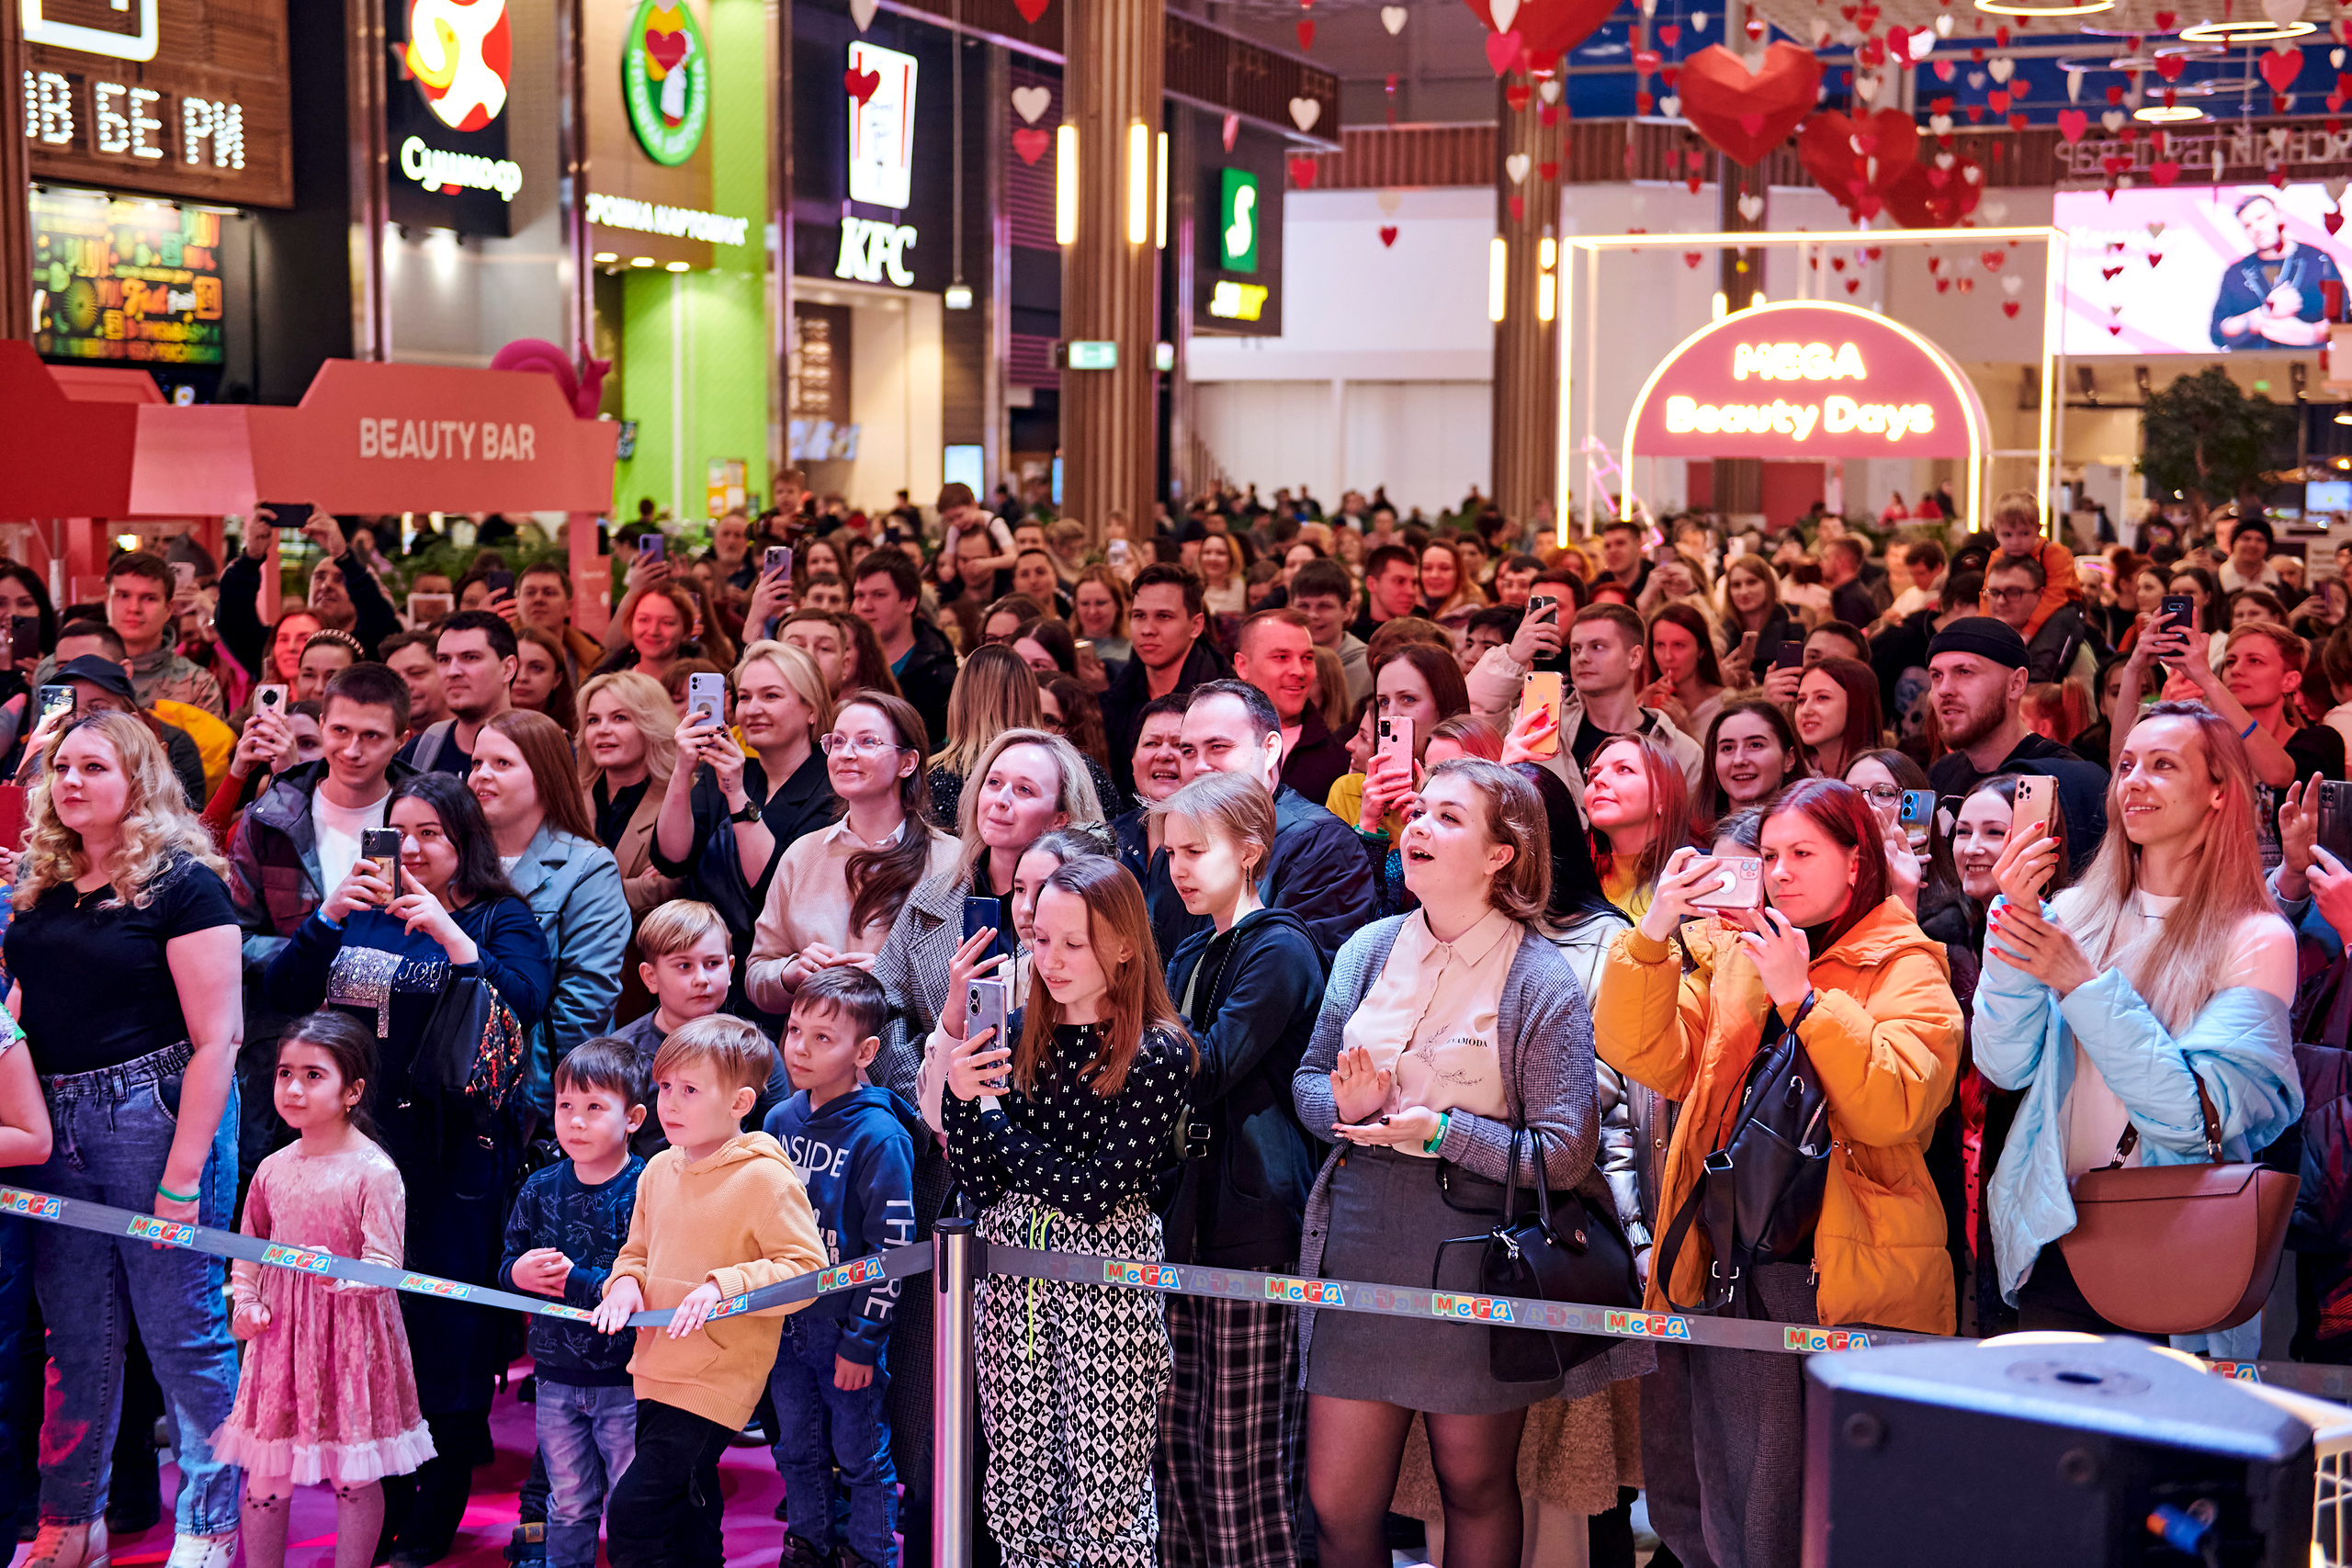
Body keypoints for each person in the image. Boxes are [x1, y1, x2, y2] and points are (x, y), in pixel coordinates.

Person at [1595, 779, 1962, 1568]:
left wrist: (1805, 998)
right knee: (1737, 1510)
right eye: (1769, 854)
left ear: (1856, 860)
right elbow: (1644, 1052)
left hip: (1843, 1269)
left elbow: (1895, 1106)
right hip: (1736, 1259)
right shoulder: (1738, 957)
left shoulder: (1907, 962)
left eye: (1803, 852)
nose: (1782, 871)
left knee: (1841, 1517)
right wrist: (1653, 935)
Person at [1293, 758, 1649, 1568]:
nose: (1419, 825)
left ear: (1501, 853)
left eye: (1449, 817)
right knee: (1337, 1503)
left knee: (1476, 1489)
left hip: (1476, 1254)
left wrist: (1441, 1132)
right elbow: (1309, 1080)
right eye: (1419, 810)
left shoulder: (1541, 976)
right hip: (1357, 1243)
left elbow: (1566, 1152)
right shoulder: (1367, 948)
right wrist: (1343, 1107)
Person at [262, 772, 553, 1563]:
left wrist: (453, 937)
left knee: (445, 1336)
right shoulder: (360, 912)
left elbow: (525, 1003)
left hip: (455, 1156)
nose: (414, 849)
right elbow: (283, 989)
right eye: (401, 832)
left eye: (432, 833)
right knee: (371, 1327)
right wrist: (328, 916)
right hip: (359, 1153)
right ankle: (382, 1501)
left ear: (464, 841)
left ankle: (435, 1509)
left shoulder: (500, 915)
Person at [1976, 703, 2301, 1348]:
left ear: (2218, 792)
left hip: (2184, 1245)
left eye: (2163, 765)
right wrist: (2013, 922)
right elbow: (2004, 1064)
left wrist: (2082, 984)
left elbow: (2191, 1117)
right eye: (2125, 765)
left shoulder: (2257, 937)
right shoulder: (2072, 912)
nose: (2134, 781)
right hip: (2058, 1237)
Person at [7, 711, 246, 1568]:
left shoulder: (186, 884)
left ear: (137, 780)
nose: (71, 781)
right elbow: (26, 1006)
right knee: (73, 1335)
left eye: (93, 767)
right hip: (52, 1123)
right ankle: (72, 1521)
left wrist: (183, 1174)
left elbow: (219, 1039)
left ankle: (210, 1525)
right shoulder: (43, 879)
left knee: (184, 1334)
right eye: (62, 767)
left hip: (154, 1113)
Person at [866, 727, 1103, 1557]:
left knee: (1021, 1421)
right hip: (937, 1167)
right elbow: (881, 1009)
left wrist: (985, 1106)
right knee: (929, 1396)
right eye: (993, 782)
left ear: (1063, 815)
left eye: (1024, 789)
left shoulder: (1088, 914)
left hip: (1035, 1194)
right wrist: (934, 1095)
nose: (1000, 799)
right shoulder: (938, 895)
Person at [939, 856, 1194, 1568]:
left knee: (1106, 1491)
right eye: (1041, 939)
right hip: (1012, 1274)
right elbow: (983, 1183)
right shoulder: (1020, 1030)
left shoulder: (1159, 1049)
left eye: (1072, 943)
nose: (1049, 960)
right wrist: (961, 1097)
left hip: (1106, 1276)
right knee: (1018, 1482)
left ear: (1124, 944)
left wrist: (990, 1116)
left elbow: (1094, 1193)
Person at [1150, 772, 1325, 1568]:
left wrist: (1124, 1036)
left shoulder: (1280, 946)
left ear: (1250, 851)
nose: (1179, 868)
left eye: (1196, 850)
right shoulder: (1193, 946)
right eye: (1171, 852)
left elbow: (1211, 1063)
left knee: (1240, 1476)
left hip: (1254, 1231)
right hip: (1183, 1223)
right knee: (1177, 1468)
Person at [589, 1016, 828, 1568]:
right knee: (687, 1506)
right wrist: (623, 1286)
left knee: (635, 1511)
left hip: (716, 1377)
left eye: (690, 1090)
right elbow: (636, 1253)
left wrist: (727, 1285)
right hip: (656, 1367)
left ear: (741, 1102)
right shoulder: (658, 1170)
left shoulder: (765, 1178)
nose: (669, 1102)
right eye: (665, 1086)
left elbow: (807, 1270)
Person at [215, 1013, 432, 1568]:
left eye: (313, 1075)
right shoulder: (271, 1168)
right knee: (266, 1479)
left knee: (353, 1479)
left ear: (352, 1091)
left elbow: (386, 1263)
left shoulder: (373, 1171)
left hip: (350, 1339)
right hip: (281, 1340)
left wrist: (341, 1275)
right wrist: (247, 1300)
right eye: (285, 1072)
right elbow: (251, 1244)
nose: (293, 1088)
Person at [762, 969, 921, 1568]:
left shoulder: (880, 1136)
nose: (799, 1047)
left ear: (865, 1051)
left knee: (860, 1455)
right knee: (795, 1447)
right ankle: (808, 1542)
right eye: (794, 1030)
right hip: (784, 1324)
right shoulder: (778, 1122)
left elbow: (893, 1252)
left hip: (845, 1329)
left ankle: (870, 1553)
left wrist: (861, 1341)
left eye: (822, 1037)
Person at [499, 1040, 648, 1568]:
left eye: (594, 1107)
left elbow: (649, 1279)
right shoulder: (540, 1187)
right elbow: (508, 1264)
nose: (576, 1122)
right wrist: (517, 1273)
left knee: (631, 1500)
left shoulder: (646, 1189)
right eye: (566, 1105)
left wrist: (574, 1283)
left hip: (626, 1378)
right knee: (567, 1502)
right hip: (555, 1376)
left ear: (632, 1119)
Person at [652, 642, 836, 1024]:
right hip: (705, 975)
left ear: (812, 710)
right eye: (745, 697)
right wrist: (684, 769)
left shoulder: (832, 787)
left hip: (777, 983)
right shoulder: (728, 771)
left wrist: (736, 794)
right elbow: (671, 859)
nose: (753, 709)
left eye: (771, 696)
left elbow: (770, 889)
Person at [745, 693, 956, 1013]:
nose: (845, 754)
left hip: (905, 1043)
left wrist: (891, 979)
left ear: (907, 763)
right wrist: (791, 972)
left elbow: (967, 987)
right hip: (811, 1039)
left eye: (867, 741)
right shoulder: (802, 854)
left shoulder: (950, 861)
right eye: (838, 741)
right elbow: (757, 975)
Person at [471, 710, 631, 1120]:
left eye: (502, 763)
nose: (481, 775)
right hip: (454, 1085)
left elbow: (583, 1003)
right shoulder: (454, 860)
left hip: (539, 1095)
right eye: (476, 763)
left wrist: (528, 1102)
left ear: (544, 777)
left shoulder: (588, 866)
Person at [1153, 678, 1377, 962]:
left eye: (1218, 747)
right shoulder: (1174, 844)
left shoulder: (1322, 845)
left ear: (1270, 749)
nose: (1199, 766)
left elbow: (1305, 974)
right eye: (1188, 751)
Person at [1471, 602, 1702, 817]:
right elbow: (1476, 721)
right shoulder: (1539, 726)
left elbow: (1689, 833)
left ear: (1634, 657)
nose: (1582, 657)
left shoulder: (1681, 751)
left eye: (1597, 647)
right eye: (1576, 648)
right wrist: (1512, 657)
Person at [1925, 618, 2109, 872]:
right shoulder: (1941, 774)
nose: (1944, 689)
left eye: (1964, 672)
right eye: (1936, 676)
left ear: (2016, 684)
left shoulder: (2066, 781)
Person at [611, 900, 790, 1156]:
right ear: (651, 977)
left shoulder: (757, 1052)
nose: (701, 979)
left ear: (730, 969)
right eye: (684, 966)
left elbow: (774, 1144)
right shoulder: (619, 1054)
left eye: (713, 963)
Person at [1102, 565, 1236, 797]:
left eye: (1163, 616)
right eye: (1139, 616)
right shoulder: (1117, 696)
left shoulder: (1228, 703)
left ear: (1196, 625)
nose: (1147, 629)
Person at [1232, 608, 1349, 805]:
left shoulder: (1339, 760)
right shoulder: (1206, 742)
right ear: (1243, 666)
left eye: (1307, 658)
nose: (1299, 671)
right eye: (1281, 657)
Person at [1585, 733, 1692, 919]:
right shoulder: (1569, 882)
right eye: (1593, 774)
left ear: (1663, 798)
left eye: (1624, 769)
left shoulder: (1694, 885)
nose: (1598, 780)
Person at [2211, 191, 2337, 349]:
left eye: (2261, 218)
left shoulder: (2318, 261)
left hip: (2311, 362)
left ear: (2279, 215)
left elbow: (2343, 318)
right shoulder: (2236, 273)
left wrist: (2311, 334)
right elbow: (2217, 332)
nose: (2256, 228)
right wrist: (2264, 313)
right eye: (2247, 225)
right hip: (2253, 363)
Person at [399, 611, 518, 778]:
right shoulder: (417, 753)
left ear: (507, 668)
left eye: (470, 657)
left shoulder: (543, 749)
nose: (452, 671)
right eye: (444, 660)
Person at [1693, 698, 1808, 831]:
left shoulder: (1814, 829)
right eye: (1727, 748)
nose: (1739, 760)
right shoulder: (1691, 835)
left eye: (1755, 745)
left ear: (1789, 759)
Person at [1112, 694, 1190, 885]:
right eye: (1151, 743)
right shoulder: (1108, 840)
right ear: (1133, 760)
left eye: (1179, 745)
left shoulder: (1221, 844)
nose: (1163, 755)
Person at [1984, 554, 2092, 685]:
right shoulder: (1985, 643)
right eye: (1994, 592)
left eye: (2013, 592)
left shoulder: (2070, 647)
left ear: (2040, 594)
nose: (2001, 601)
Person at [1291, 558, 1372, 710]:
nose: (1312, 615)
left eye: (1324, 606)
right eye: (1303, 606)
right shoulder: (1282, 665)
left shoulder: (1368, 667)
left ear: (1346, 611)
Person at [1644, 603, 1727, 741]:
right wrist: (1646, 716)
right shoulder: (1647, 700)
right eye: (1660, 645)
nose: (1668, 656)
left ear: (1701, 650)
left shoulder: (1726, 704)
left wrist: (1684, 732)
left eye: (1679, 645)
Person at [1792, 657, 1882, 783]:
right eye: (1801, 700)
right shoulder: (1795, 780)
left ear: (1858, 704)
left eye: (1822, 697)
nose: (1805, 710)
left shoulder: (1880, 781)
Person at [513, 626, 582, 734]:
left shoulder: (575, 736)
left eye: (536, 668)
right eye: (514, 666)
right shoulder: (485, 730)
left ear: (557, 679)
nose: (522, 677)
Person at [379, 631, 450, 735]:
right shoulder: (386, 741)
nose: (405, 686)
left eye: (416, 673)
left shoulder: (474, 739)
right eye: (394, 679)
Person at [1074, 565, 1135, 672]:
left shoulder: (1136, 650)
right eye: (1084, 603)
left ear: (1117, 605)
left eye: (1100, 603)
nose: (1092, 611)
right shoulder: (1064, 648)